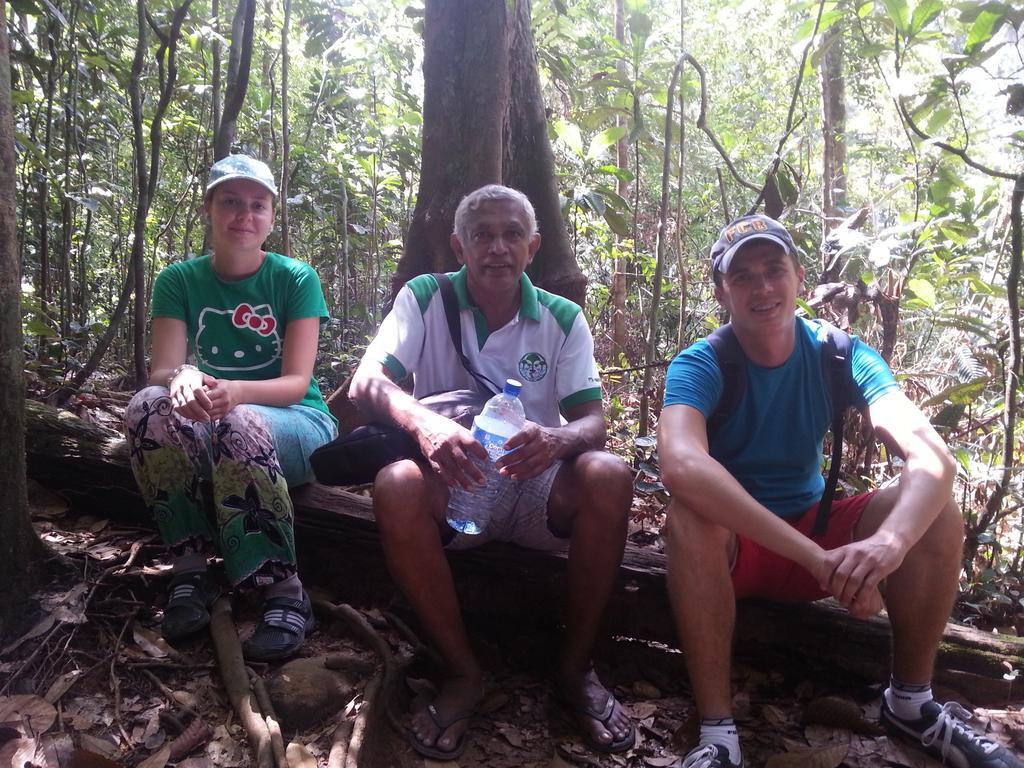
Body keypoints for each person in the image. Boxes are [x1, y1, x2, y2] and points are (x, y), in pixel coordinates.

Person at [657, 213, 1022, 768]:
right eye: (743, 276)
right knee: (688, 516)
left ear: (799, 277)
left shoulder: (839, 354)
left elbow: (931, 454)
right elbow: (681, 464)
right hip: (740, 551)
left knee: (932, 504)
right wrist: (815, 557)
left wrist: (889, 544)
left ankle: (912, 703)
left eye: (774, 270)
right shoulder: (704, 363)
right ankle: (719, 735)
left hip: (819, 537)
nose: (762, 288)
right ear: (722, 292)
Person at [349, 184, 635, 760]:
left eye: (511, 235)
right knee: (395, 485)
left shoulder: (562, 317)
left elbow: (593, 421)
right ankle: (462, 672)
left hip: (537, 487)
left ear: (533, 246)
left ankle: (575, 670)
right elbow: (367, 383)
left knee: (609, 474)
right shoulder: (425, 298)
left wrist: (556, 439)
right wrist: (425, 425)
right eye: (482, 235)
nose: (497, 248)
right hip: (454, 478)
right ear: (459, 245)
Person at [124, 154, 337, 662]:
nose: (244, 215)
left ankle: (284, 590)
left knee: (237, 422)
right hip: (213, 423)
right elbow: (163, 370)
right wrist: (185, 376)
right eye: (231, 202)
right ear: (210, 209)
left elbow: (296, 383)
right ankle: (190, 570)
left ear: (270, 217)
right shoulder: (178, 280)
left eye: (257, 205)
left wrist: (236, 393)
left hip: (297, 422)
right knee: (147, 408)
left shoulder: (294, 278)